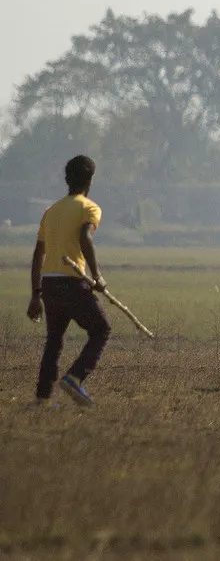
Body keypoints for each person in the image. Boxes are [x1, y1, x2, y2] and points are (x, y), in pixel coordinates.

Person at [26, 155, 111, 407]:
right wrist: (97, 276)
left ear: (67, 180)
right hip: (72, 282)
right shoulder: (89, 208)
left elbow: (38, 253)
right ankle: (75, 378)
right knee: (101, 329)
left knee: (54, 339)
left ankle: (42, 398)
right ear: (90, 180)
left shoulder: (50, 212)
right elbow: (86, 238)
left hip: (49, 284)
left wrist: (36, 293)